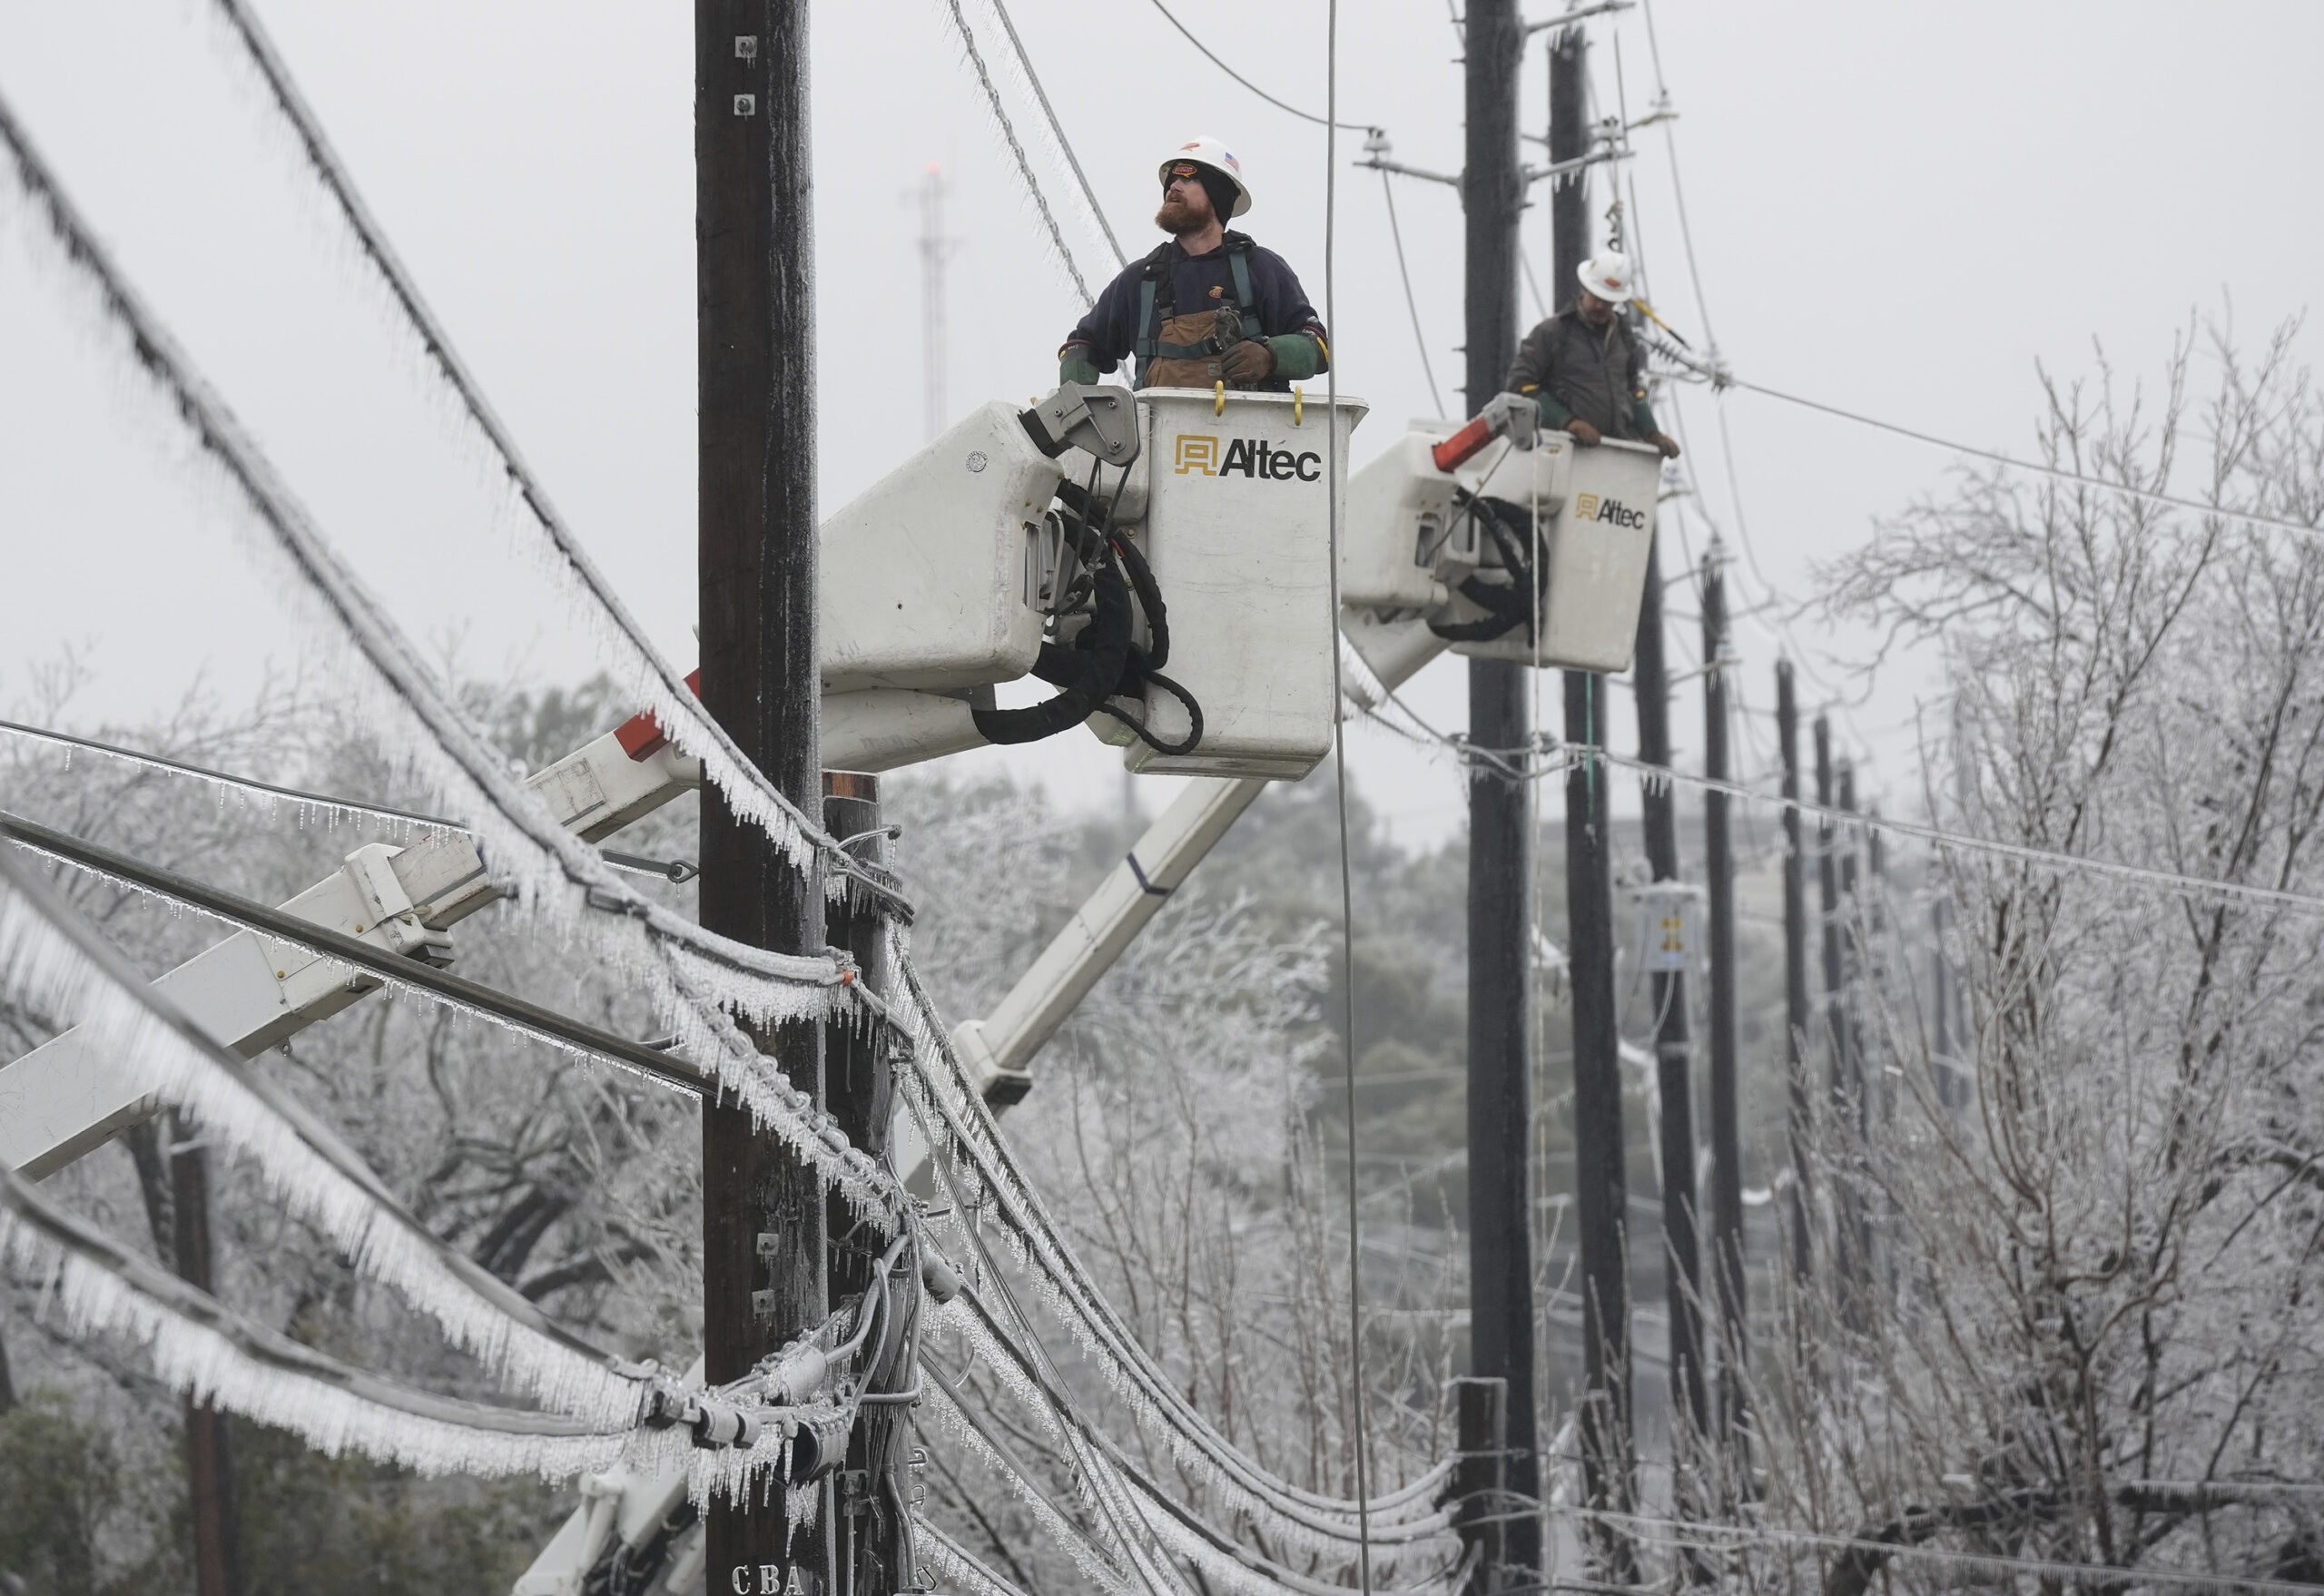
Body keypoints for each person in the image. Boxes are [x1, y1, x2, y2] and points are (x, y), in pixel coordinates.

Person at [1058, 136, 1328, 392]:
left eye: (1187, 178)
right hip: (1158, 437)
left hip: (1247, 437)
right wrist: (1074, 404)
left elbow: (1316, 347)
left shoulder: (1259, 268)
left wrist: (1270, 355)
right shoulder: (1141, 279)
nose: (1173, 186)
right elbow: (1084, 346)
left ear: (1218, 193)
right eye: (1171, 180)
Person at [1505, 252, 1681, 458]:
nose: (1600, 306)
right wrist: (1566, 422)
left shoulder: (1624, 338)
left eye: (1607, 301)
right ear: (1585, 290)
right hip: (1563, 452)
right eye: (1596, 298)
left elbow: (1634, 391)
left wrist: (1652, 433)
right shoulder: (1552, 333)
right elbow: (1520, 385)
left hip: (1615, 451)